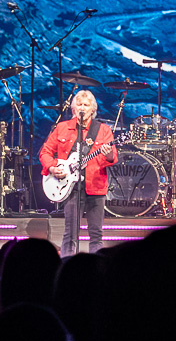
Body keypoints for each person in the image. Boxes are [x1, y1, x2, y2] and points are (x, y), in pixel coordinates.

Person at [38, 89, 117, 255]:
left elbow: (112, 158)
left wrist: (108, 153)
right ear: (73, 108)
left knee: (96, 234)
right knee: (70, 234)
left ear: (92, 109)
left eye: (86, 105)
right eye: (79, 104)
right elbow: (45, 152)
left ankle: (97, 265)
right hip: (71, 188)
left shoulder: (103, 130)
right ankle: (66, 265)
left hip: (96, 187)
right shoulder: (62, 128)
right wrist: (52, 167)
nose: (82, 108)